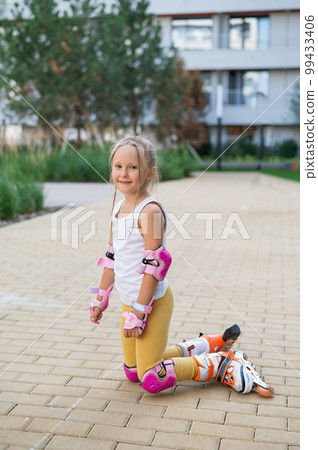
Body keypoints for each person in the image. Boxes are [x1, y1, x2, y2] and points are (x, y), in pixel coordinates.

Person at [88, 135, 273, 397]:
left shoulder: (149, 210)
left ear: (150, 173)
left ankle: (220, 364)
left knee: (151, 378)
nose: (124, 173)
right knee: (132, 372)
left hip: (153, 302)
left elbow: (155, 267)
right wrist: (101, 298)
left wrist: (139, 313)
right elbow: (111, 257)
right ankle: (200, 346)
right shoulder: (117, 208)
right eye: (118, 166)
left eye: (133, 167)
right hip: (131, 302)